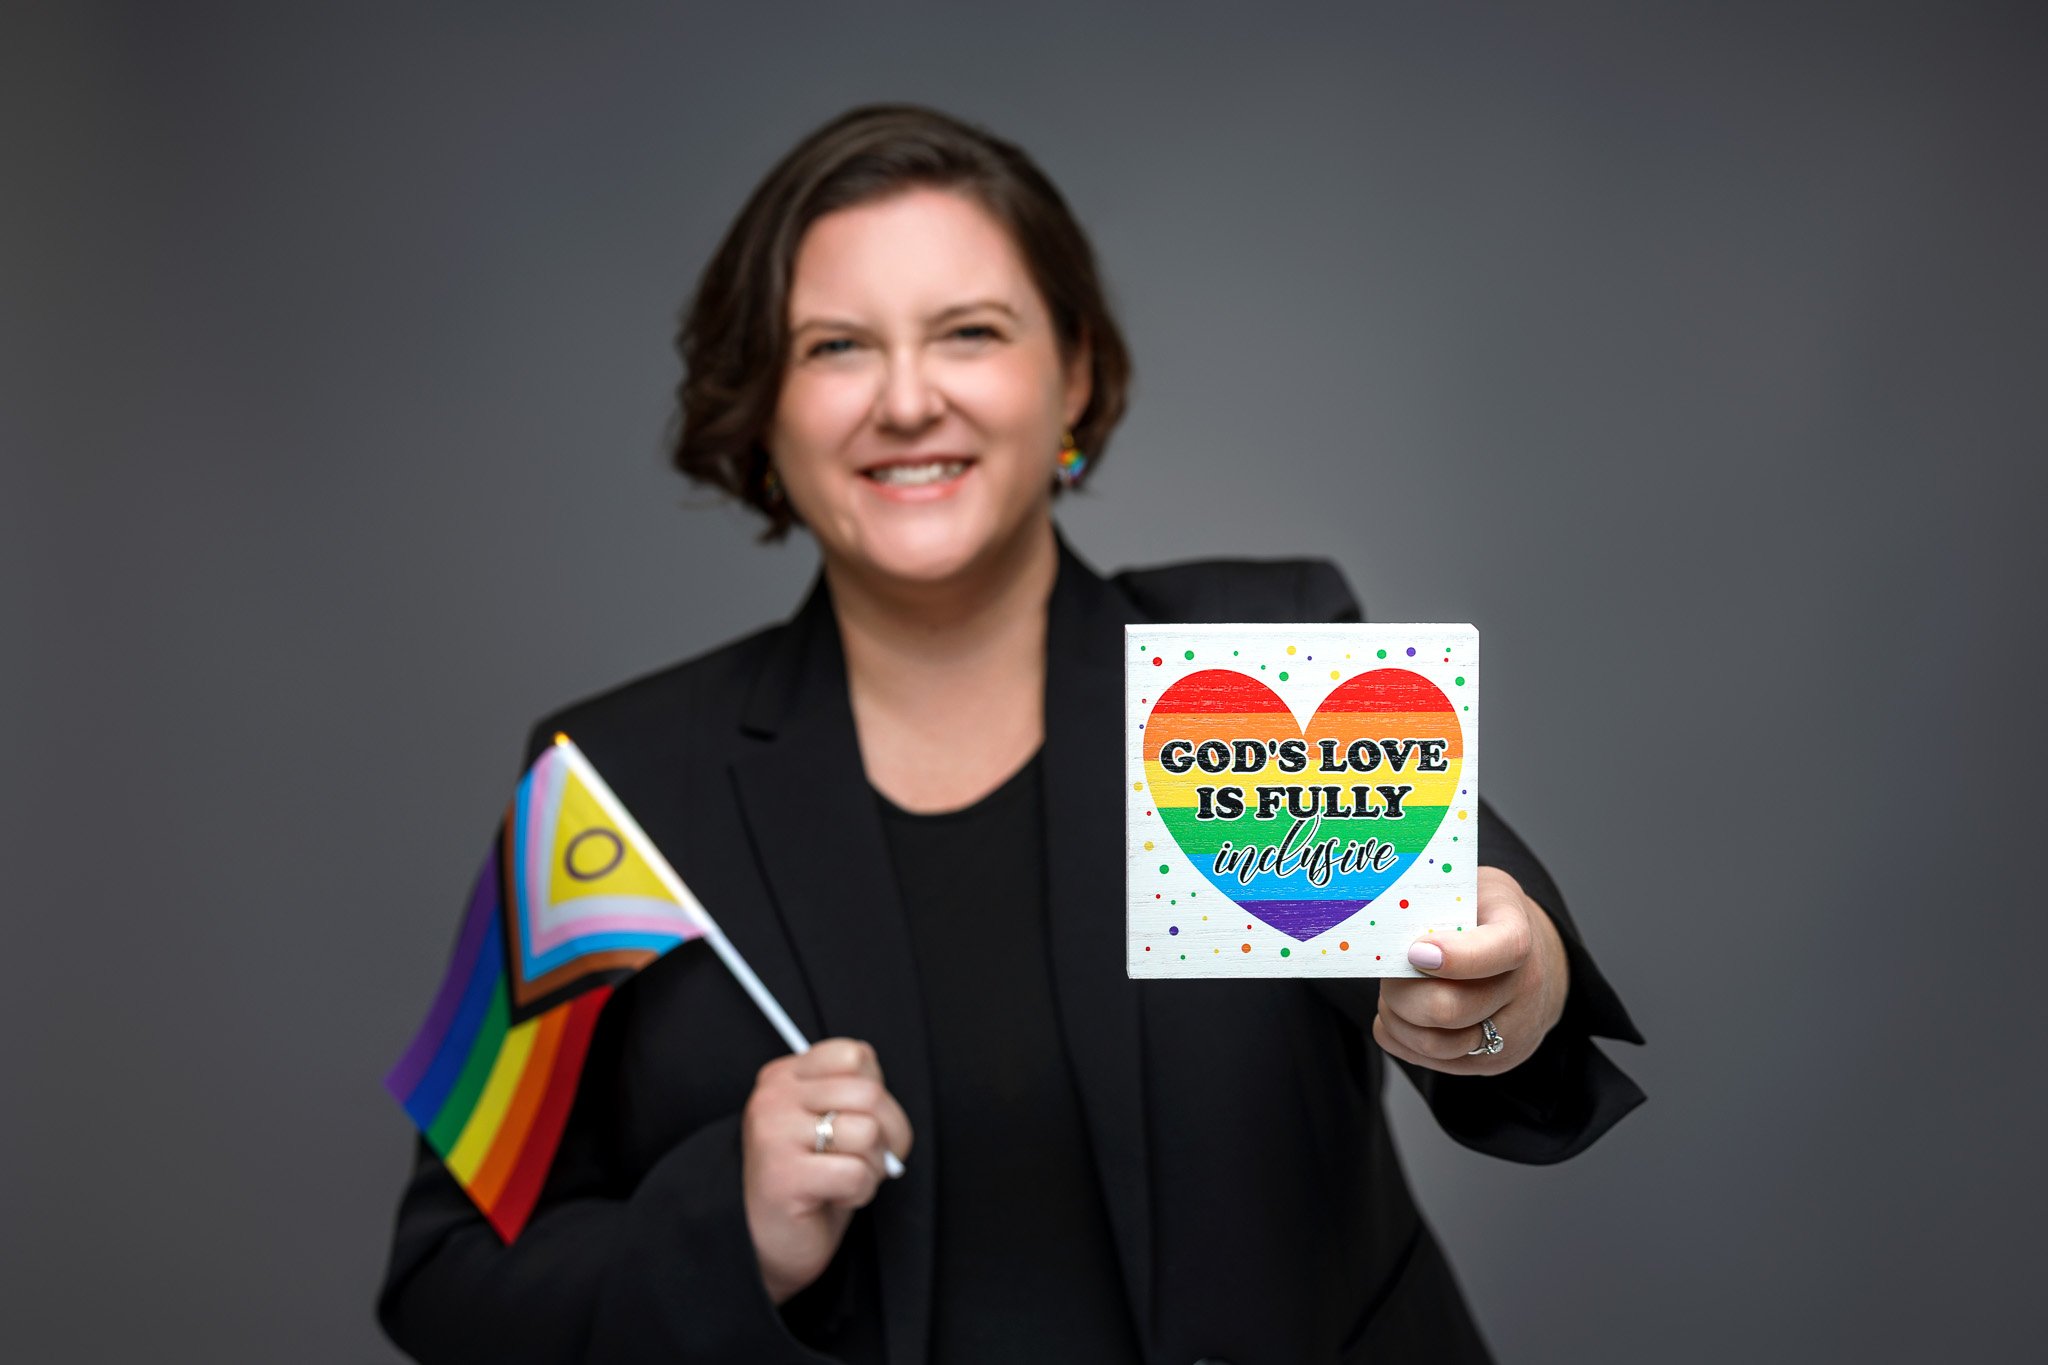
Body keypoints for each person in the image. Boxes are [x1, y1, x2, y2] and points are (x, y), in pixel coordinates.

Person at [377, 103, 1645, 1365]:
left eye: (969, 333)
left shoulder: (1248, 661)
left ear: (1074, 374)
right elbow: (445, 1277)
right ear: (759, 407)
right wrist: (732, 1230)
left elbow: (1475, 965)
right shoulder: (602, 790)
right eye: (833, 348)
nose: (908, 400)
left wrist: (1502, 996)